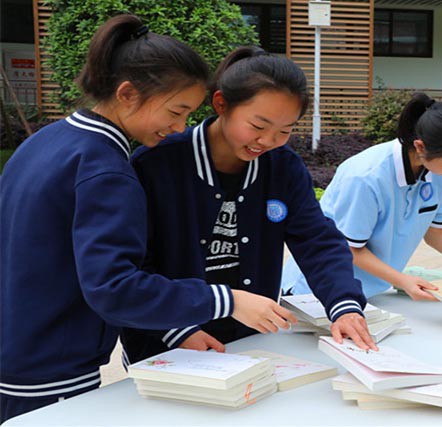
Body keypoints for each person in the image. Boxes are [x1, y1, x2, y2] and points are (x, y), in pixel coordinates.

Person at [0, 16, 294, 423]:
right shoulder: (106, 170)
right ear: (127, 93)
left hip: (17, 343)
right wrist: (227, 299)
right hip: (51, 363)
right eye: (176, 111)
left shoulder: (48, 141)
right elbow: (115, 288)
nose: (179, 127)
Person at [120, 46, 376, 367]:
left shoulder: (283, 167)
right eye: (258, 126)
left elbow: (317, 241)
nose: (268, 141)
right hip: (166, 341)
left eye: (285, 130)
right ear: (221, 104)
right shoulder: (157, 165)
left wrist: (344, 305)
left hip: (251, 338)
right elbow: (132, 266)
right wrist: (177, 330)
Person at [282, 93, 442, 300]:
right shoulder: (366, 177)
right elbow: (349, 249)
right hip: (316, 291)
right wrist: (403, 280)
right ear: (420, 147)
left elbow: (436, 233)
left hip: (370, 293)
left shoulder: (435, 168)